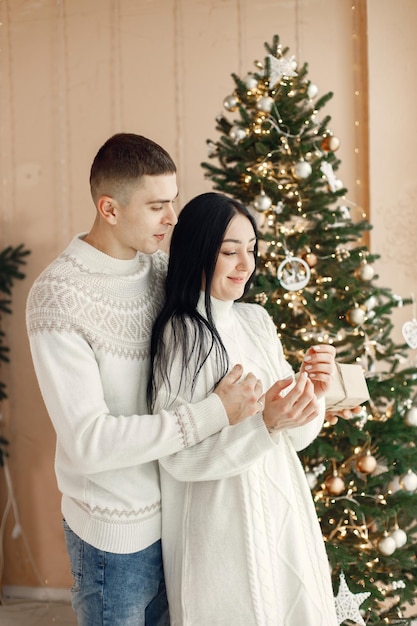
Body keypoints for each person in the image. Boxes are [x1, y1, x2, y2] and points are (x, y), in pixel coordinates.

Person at [25, 134, 270, 626]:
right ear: (109, 208)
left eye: (173, 201)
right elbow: (90, 441)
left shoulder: (163, 271)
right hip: (116, 539)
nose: (172, 218)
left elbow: (225, 336)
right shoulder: (57, 297)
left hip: (185, 519)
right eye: (157, 205)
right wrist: (214, 413)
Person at [148, 192, 339, 626]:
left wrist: (314, 392)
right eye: (229, 252)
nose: (245, 265)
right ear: (198, 251)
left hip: (283, 512)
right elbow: (176, 458)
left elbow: (295, 438)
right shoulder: (182, 335)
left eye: (251, 250)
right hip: (221, 534)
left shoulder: (256, 320)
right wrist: (265, 425)